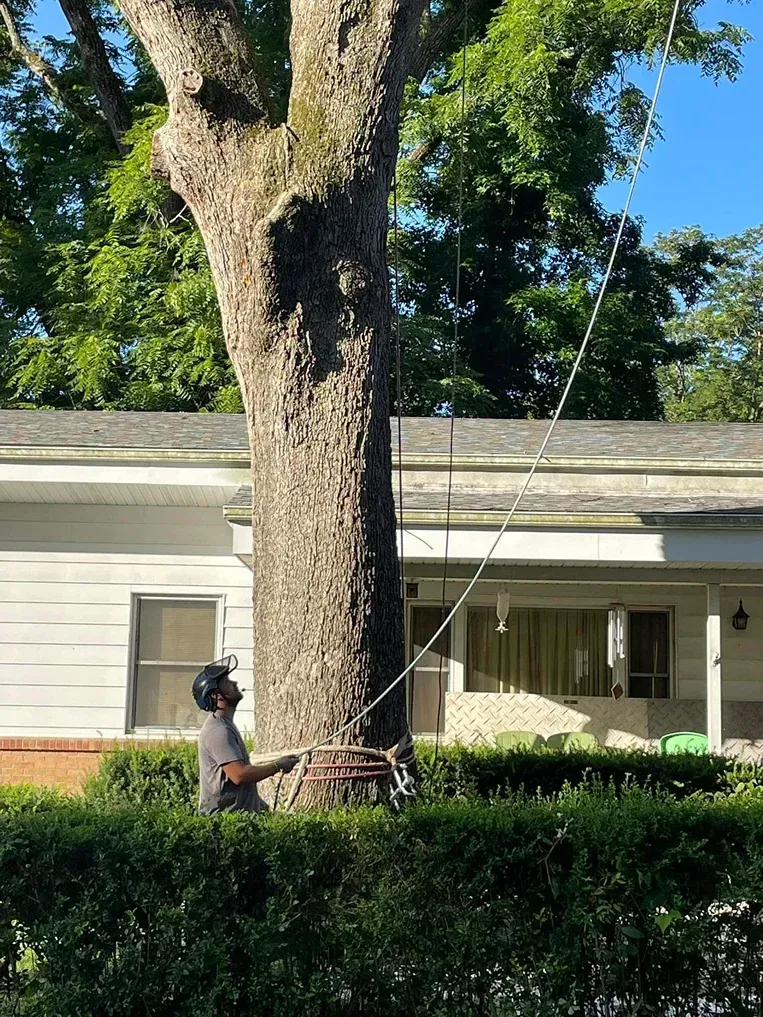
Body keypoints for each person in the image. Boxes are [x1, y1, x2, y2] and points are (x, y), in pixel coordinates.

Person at [192, 655, 299, 815]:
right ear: (216, 695)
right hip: (225, 827)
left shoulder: (224, 725)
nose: (234, 683)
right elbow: (239, 775)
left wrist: (262, 809)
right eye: (226, 683)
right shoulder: (218, 731)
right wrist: (278, 766)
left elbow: (238, 788)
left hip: (239, 821)